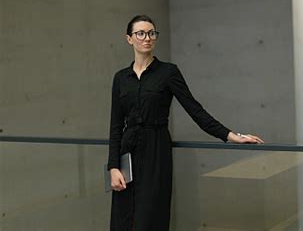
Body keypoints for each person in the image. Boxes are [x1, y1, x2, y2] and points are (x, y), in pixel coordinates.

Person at [107, 15, 264, 230]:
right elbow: (115, 126)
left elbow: (195, 110)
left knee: (150, 218)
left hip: (156, 151)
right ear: (129, 39)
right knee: (122, 220)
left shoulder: (168, 72)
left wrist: (230, 135)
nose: (147, 38)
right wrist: (113, 167)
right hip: (128, 154)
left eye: (152, 33)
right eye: (140, 33)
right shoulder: (120, 78)